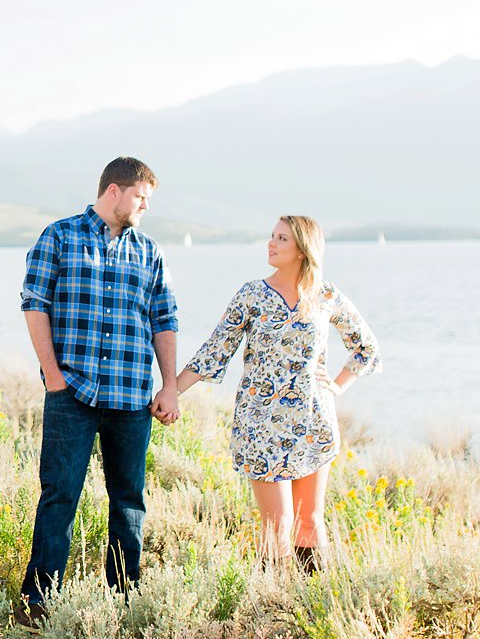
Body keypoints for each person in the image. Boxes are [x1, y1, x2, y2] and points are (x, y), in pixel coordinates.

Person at [161, 216, 379, 571]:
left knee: (309, 521)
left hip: (313, 422)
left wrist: (336, 385)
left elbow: (365, 349)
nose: (271, 243)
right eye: (272, 236)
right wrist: (172, 391)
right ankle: (272, 610)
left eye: (282, 238)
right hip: (261, 425)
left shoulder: (326, 296)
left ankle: (314, 610)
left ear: (302, 251)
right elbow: (216, 350)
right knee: (277, 524)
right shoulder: (251, 295)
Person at [15, 156, 179, 623]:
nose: (145, 208)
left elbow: (164, 321)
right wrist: (52, 374)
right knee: (59, 496)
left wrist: (169, 386)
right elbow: (34, 303)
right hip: (73, 394)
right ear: (114, 192)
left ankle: (123, 602)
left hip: (131, 399)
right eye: (141, 198)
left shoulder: (150, 253)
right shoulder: (60, 237)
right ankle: (38, 603)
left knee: (129, 501)